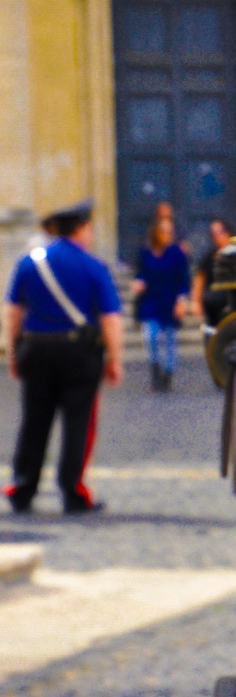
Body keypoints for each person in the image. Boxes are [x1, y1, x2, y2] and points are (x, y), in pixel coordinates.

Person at [3, 199, 123, 514]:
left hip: (36, 349)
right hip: (79, 353)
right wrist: (115, 358)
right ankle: (73, 490)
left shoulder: (29, 263)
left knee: (34, 421)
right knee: (78, 423)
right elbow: (111, 319)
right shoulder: (93, 266)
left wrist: (13, 352)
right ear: (82, 229)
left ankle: (23, 486)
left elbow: (13, 312)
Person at [131, 216, 190, 392]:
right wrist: (138, 282)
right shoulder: (145, 252)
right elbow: (141, 272)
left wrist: (181, 300)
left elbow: (183, 279)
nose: (167, 234)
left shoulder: (177, 253)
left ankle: (168, 375)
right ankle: (155, 367)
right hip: (151, 300)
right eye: (164, 231)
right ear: (156, 232)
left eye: (170, 231)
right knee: (151, 337)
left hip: (169, 300)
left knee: (170, 340)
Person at [189, 217, 234, 327]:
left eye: (220, 232)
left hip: (234, 302)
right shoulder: (210, 255)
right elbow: (200, 278)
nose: (217, 237)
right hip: (214, 308)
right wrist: (195, 301)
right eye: (213, 234)